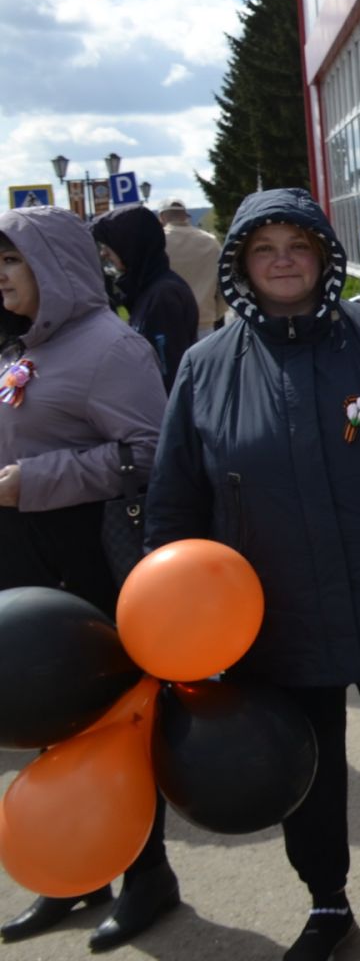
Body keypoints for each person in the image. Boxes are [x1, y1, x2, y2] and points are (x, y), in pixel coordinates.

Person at [140, 189, 360, 961]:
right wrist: (177, 618)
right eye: (265, 249)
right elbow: (173, 503)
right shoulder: (205, 368)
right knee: (310, 764)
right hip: (277, 612)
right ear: (240, 266)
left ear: (325, 252)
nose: (283, 261)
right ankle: (327, 901)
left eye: (297, 244)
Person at [0, 205, 182, 952]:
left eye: (12, 262)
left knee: (113, 727)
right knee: (49, 721)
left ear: (55, 266)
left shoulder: (113, 348)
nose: (1, 276)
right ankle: (74, 874)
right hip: (28, 560)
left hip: (91, 563)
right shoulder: (23, 344)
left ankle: (148, 877)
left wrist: (34, 480)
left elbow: (152, 454)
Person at [92, 204, 200, 391]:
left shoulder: (163, 295)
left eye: (108, 245)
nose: (104, 253)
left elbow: (169, 372)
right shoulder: (149, 289)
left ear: (128, 244)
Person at [157, 197, 223, 339]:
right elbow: (223, 284)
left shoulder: (157, 243)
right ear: (186, 216)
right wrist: (214, 314)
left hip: (167, 324)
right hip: (205, 323)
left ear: (161, 217)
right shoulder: (211, 242)